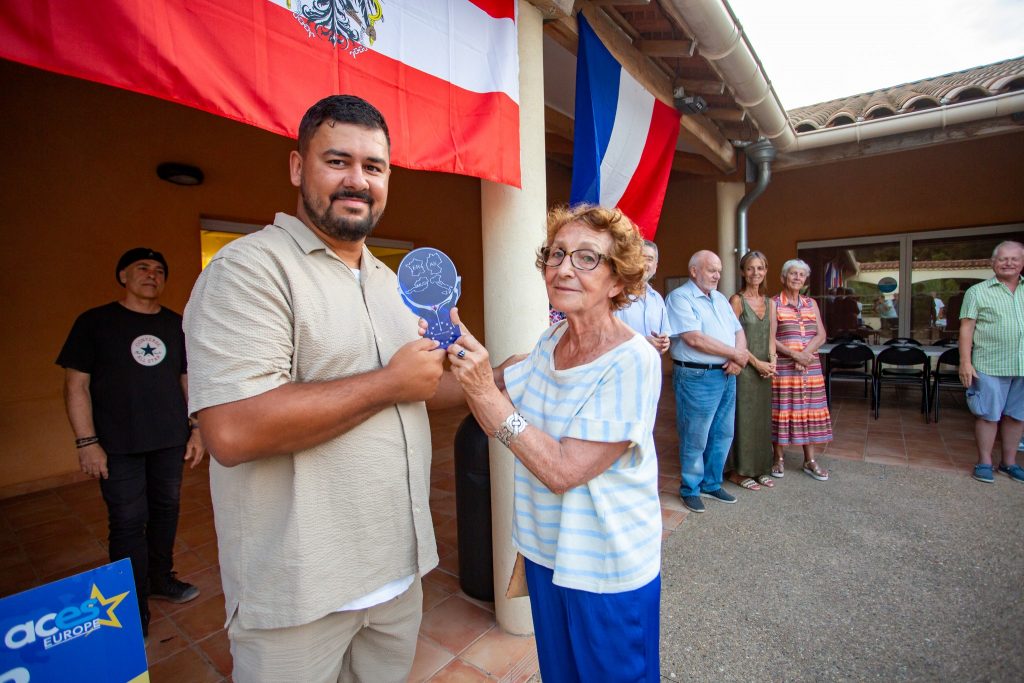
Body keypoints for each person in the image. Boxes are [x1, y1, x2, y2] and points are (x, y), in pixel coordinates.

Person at [183, 95, 467, 682]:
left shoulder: (393, 283)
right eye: (338, 161)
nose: (357, 181)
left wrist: (503, 373)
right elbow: (232, 431)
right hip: (300, 592)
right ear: (297, 167)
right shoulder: (248, 270)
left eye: (374, 167)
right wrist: (390, 382)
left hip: (397, 577)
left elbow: (425, 389)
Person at [445, 205, 663, 682]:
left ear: (618, 282)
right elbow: (492, 421)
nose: (563, 267)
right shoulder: (551, 341)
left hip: (605, 568)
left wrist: (484, 389)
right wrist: (460, 353)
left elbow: (563, 470)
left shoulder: (633, 361)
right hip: (546, 554)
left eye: (587, 258)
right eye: (557, 254)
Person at [56, 248, 204, 637]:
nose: (151, 275)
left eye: (159, 270)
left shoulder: (177, 325)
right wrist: (87, 442)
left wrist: (197, 429)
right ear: (123, 275)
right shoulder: (95, 323)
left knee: (166, 512)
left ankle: (160, 579)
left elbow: (188, 380)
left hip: (169, 440)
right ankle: (130, 605)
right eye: (142, 268)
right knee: (126, 522)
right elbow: (76, 385)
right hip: (116, 444)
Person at [667, 250, 749, 513]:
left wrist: (737, 358)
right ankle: (690, 488)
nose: (717, 275)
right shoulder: (680, 298)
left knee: (723, 433)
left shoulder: (720, 298)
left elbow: (738, 330)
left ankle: (712, 483)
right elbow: (694, 338)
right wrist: (735, 354)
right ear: (694, 271)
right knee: (695, 435)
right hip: (696, 376)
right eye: (712, 270)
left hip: (726, 373)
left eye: (719, 271)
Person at [958, 240, 1024, 484]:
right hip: (989, 364)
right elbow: (966, 329)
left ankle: (1009, 463)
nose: (1008, 263)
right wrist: (965, 362)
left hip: (1022, 365)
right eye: (1002, 258)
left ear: (1022, 263)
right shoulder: (978, 292)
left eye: (1014, 258)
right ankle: (984, 462)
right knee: (987, 414)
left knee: (1017, 416)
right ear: (993, 263)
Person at [771, 259, 832, 481]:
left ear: (805, 279)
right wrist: (794, 355)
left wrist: (805, 355)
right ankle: (778, 458)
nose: (797, 278)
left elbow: (821, 335)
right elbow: (770, 339)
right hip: (785, 369)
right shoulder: (774, 303)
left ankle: (810, 460)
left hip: (810, 369)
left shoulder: (811, 303)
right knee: (782, 411)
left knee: (809, 412)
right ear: (783, 277)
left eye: (801, 275)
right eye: (792, 274)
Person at [726, 250, 777, 491]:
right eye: (750, 268)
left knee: (761, 420)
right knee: (743, 420)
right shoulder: (736, 301)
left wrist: (772, 362)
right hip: (745, 368)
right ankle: (739, 471)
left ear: (766, 271)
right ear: (743, 272)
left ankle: (760, 468)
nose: (755, 273)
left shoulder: (771, 303)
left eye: (760, 268)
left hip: (766, 370)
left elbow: (771, 337)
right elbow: (732, 339)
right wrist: (757, 364)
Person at [614, 239, 670, 353]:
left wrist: (664, 342)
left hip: (651, 369)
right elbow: (605, 337)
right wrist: (642, 342)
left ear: (655, 267)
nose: (644, 263)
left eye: (649, 259)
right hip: (623, 368)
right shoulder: (615, 294)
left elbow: (665, 333)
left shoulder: (657, 299)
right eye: (640, 258)